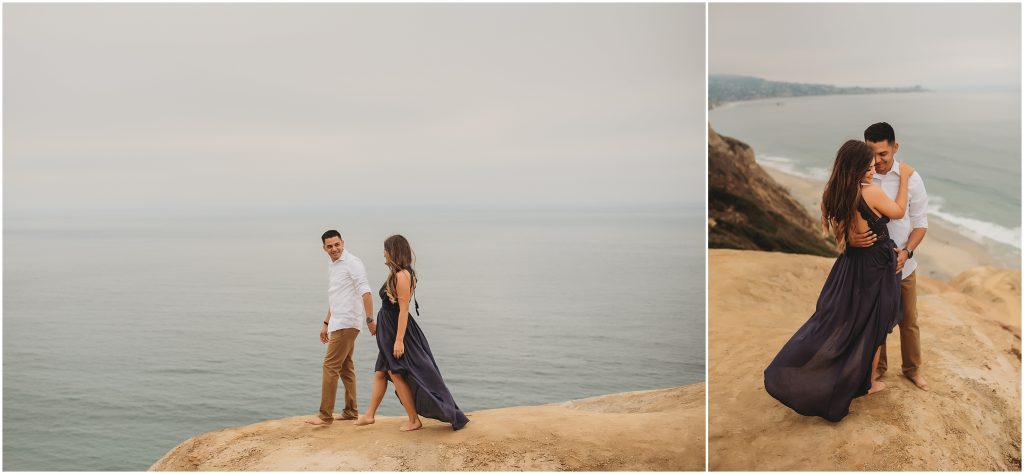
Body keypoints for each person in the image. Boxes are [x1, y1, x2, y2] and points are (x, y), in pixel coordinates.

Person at [764, 140, 914, 422]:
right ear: (856, 169)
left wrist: (852, 241)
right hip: (875, 267)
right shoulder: (871, 192)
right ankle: (866, 383)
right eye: (869, 168)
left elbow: (839, 233)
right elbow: (899, 211)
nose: (873, 172)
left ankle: (853, 378)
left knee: (842, 322)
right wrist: (904, 178)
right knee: (874, 323)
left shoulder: (834, 192)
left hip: (850, 265)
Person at [354, 234, 469, 431]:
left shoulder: (402, 276)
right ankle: (369, 415)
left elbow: (404, 310)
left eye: (386, 250)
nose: (383, 253)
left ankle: (414, 420)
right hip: (389, 328)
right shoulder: (398, 273)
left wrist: (399, 340)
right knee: (381, 372)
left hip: (397, 331)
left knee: (396, 372)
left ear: (393, 251)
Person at [848, 122, 931, 391]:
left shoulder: (911, 178)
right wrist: (849, 238)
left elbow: (920, 223)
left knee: (909, 320)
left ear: (895, 147)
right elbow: (841, 215)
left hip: (903, 264)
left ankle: (912, 370)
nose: (877, 160)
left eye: (883, 153)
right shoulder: (860, 177)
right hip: (870, 265)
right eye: (871, 152)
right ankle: (877, 370)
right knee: (874, 321)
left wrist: (907, 252)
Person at [306, 230, 374, 426]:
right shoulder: (333, 264)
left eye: (337, 244)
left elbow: (366, 291)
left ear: (343, 242)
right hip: (338, 322)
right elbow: (336, 297)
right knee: (345, 367)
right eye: (330, 246)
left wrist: (370, 320)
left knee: (330, 366)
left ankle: (324, 415)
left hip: (347, 322)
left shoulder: (352, 263)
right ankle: (351, 411)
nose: (334, 249)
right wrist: (326, 322)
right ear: (324, 248)